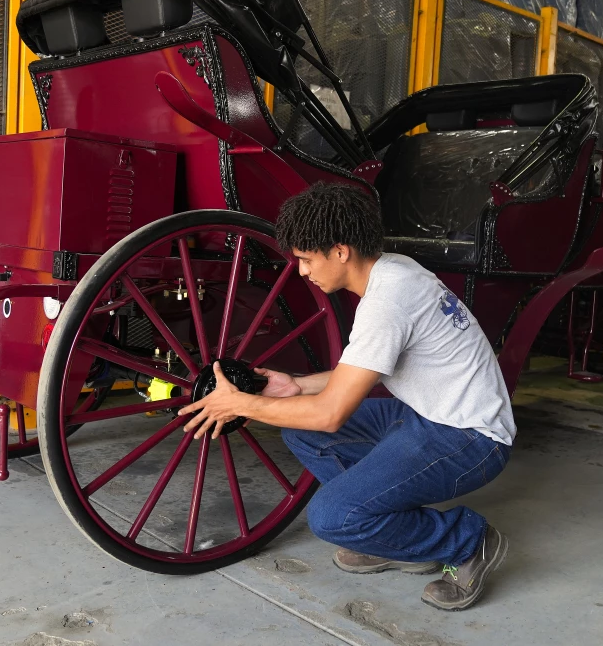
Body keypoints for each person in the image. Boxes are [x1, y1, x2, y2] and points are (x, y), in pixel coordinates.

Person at [180, 182, 515, 611]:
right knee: (296, 429)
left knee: (332, 518)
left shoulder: (388, 301)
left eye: (306, 258)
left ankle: (467, 542)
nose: (302, 271)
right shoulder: (391, 270)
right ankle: (392, 533)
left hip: (471, 438)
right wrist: (296, 386)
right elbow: (352, 376)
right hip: (426, 413)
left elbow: (331, 414)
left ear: (340, 251)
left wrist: (240, 403)